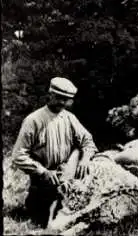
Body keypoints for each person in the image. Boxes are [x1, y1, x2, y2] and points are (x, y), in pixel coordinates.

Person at [11, 77, 98, 228]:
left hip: (68, 176)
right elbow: (18, 155)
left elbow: (87, 141)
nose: (62, 103)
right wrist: (43, 172)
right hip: (43, 181)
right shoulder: (34, 120)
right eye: (59, 98)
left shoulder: (70, 118)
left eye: (66, 100)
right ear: (49, 94)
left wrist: (85, 159)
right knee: (46, 219)